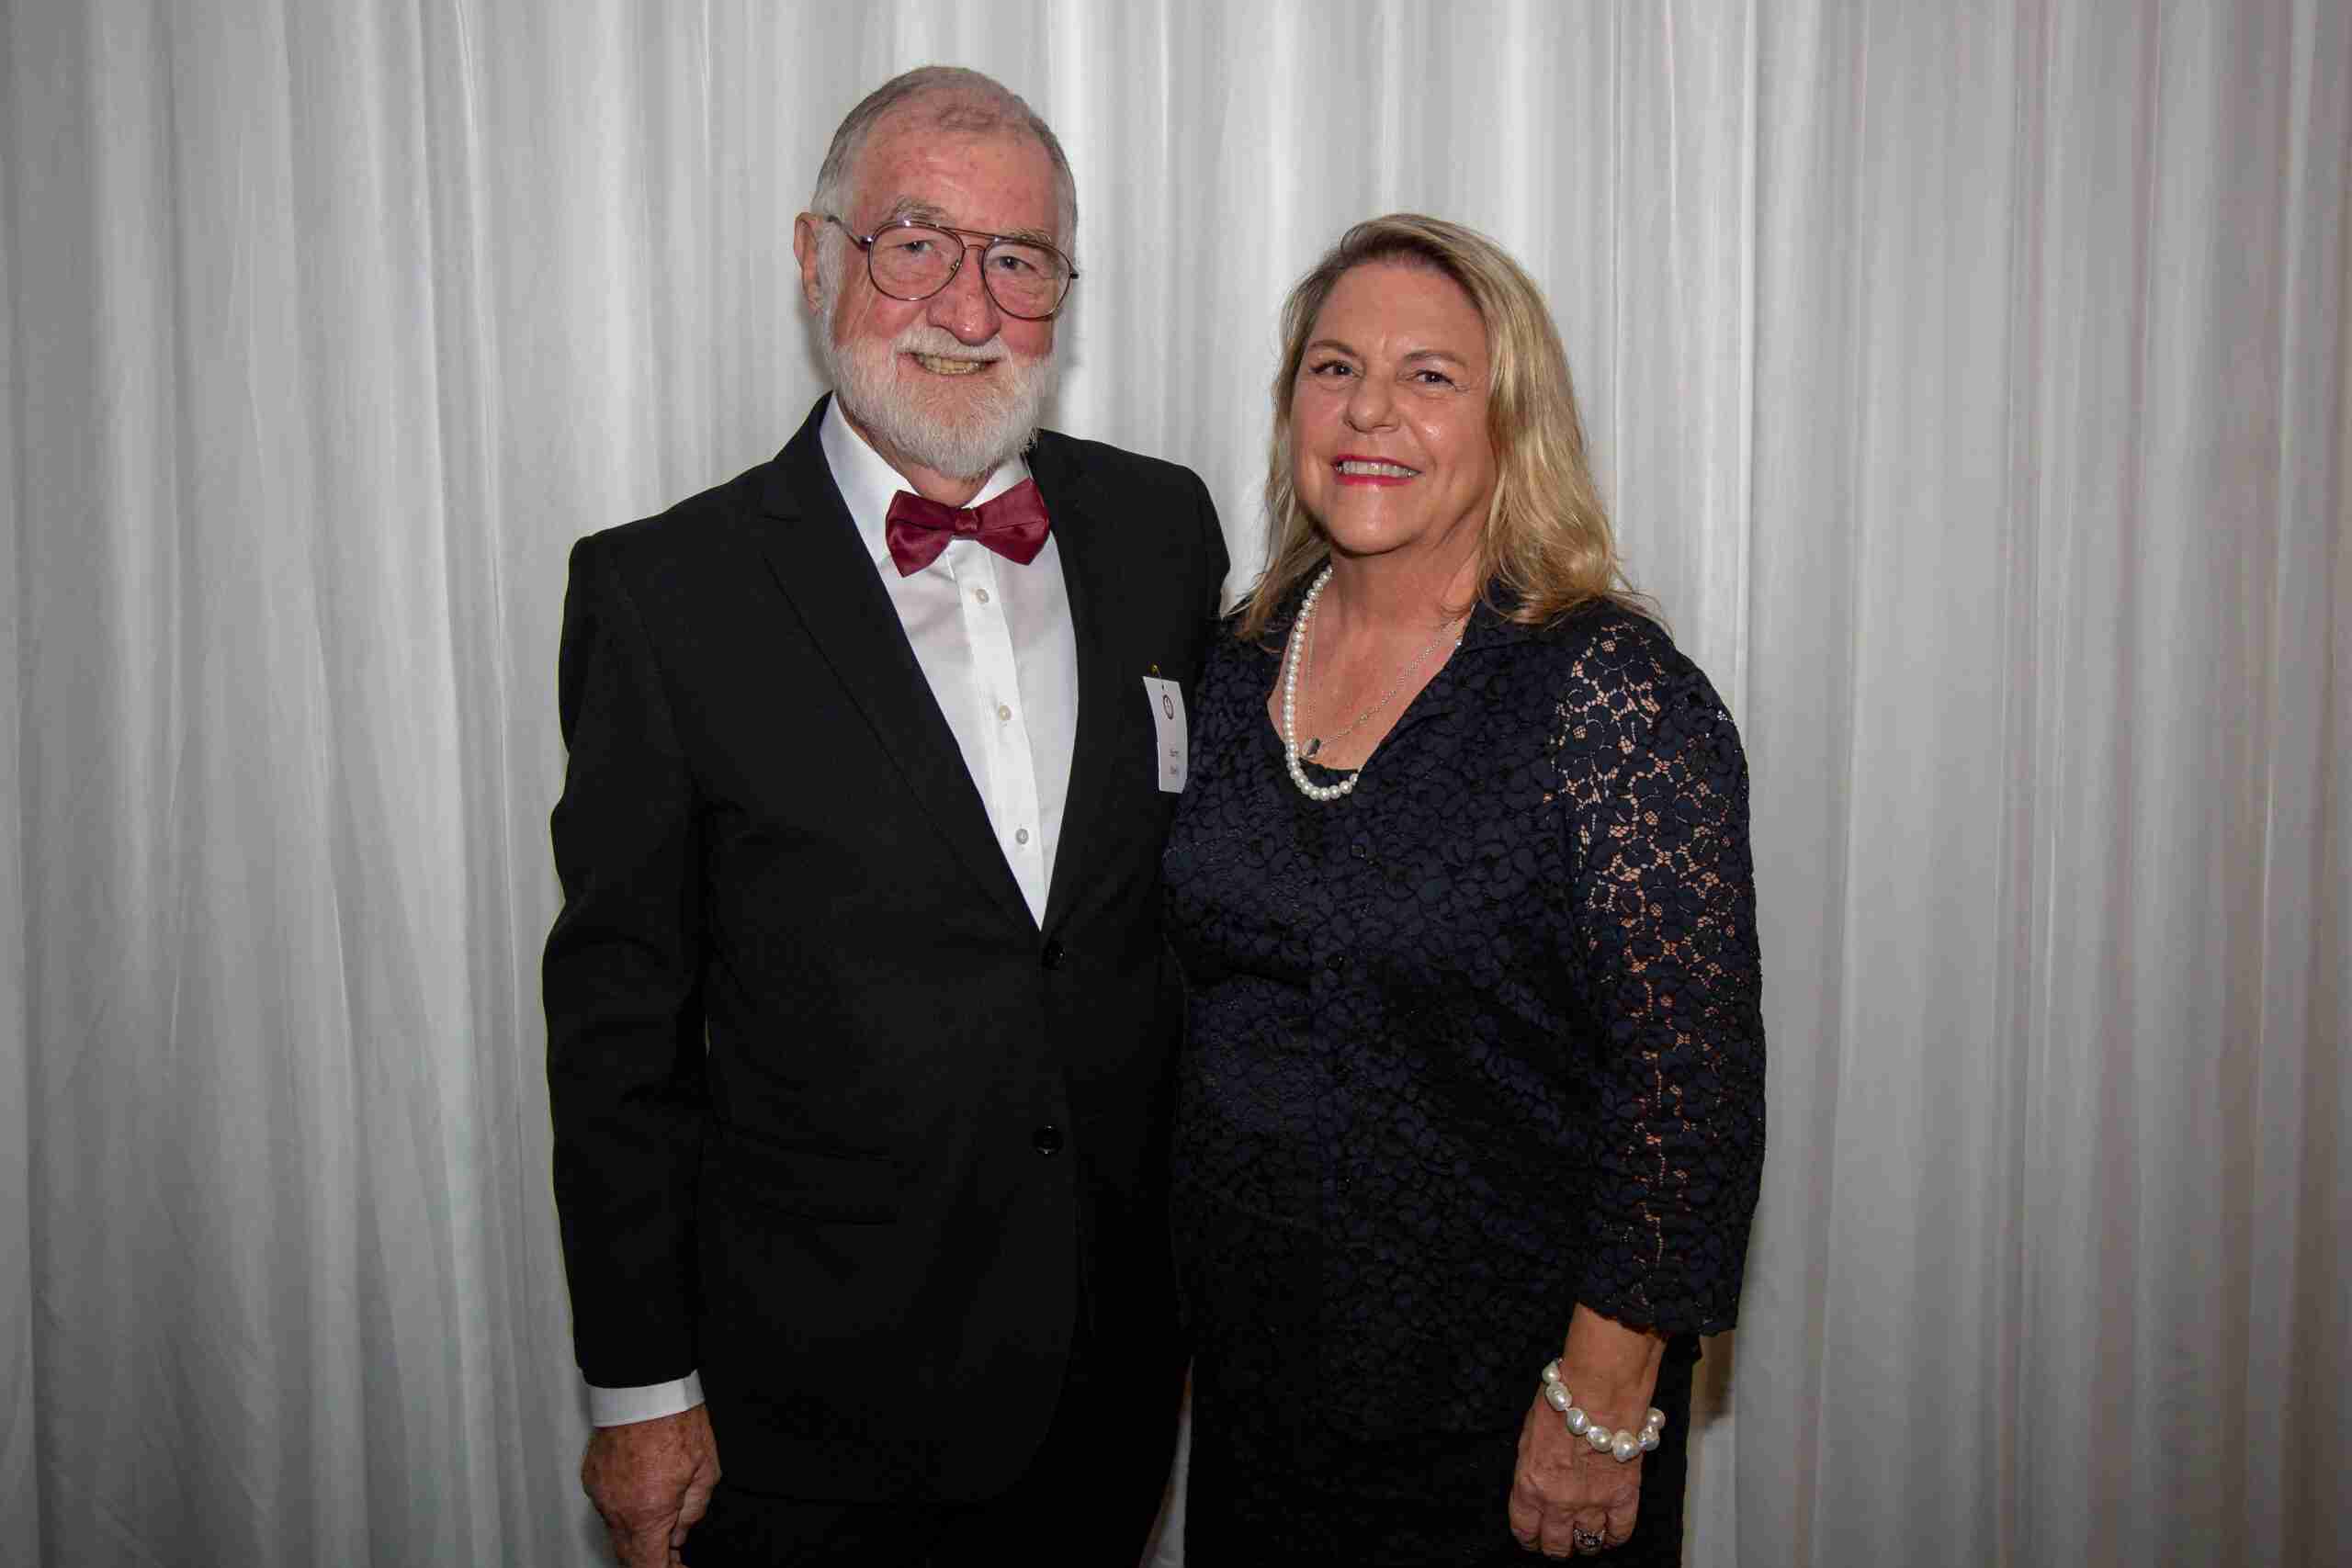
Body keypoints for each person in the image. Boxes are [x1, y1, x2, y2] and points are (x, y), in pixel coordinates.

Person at [542, 66, 1227, 1568]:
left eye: (1018, 260)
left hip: (1113, 1384)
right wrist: (641, 1390)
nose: (968, 309)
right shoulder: (664, 597)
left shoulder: (1164, 531)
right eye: (915, 243)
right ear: (817, 259)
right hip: (805, 1419)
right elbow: (617, 1033)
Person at [1161, 214, 1765, 1564]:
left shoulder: (1608, 695)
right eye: (1334, 368)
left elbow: (1691, 1096)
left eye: (1429, 377)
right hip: (1260, 1399)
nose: (1370, 410)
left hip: (1515, 1423)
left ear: (1510, 425)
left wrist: (1599, 1406)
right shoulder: (1229, 667)